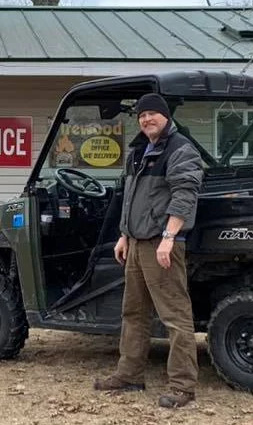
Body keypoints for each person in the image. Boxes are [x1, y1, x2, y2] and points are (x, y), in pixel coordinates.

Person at [93, 92, 204, 409]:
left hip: (162, 244)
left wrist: (169, 237)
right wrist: (124, 235)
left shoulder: (181, 149)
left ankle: (183, 387)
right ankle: (129, 375)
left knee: (175, 317)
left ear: (166, 116)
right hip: (137, 243)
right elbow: (131, 198)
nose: (146, 119)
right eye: (142, 115)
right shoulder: (139, 150)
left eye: (153, 114)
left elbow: (184, 195)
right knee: (134, 313)